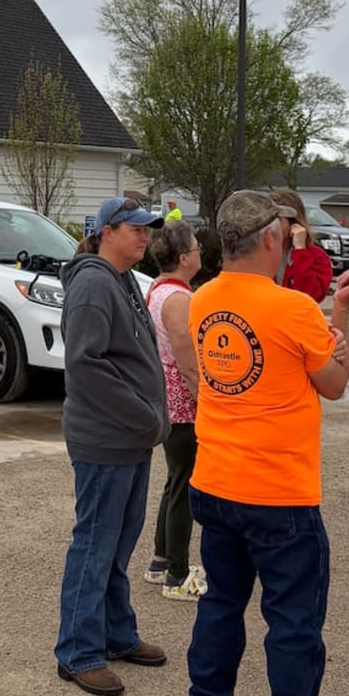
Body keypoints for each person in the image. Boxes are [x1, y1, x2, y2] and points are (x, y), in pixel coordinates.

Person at [179, 190, 349, 696]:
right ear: (270, 239)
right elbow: (335, 384)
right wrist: (341, 313)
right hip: (279, 492)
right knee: (292, 624)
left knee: (220, 605)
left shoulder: (203, 298)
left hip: (215, 480)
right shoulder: (293, 309)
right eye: (284, 233)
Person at [55, 196, 168, 696]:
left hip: (131, 440)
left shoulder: (122, 279)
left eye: (148, 229)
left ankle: (117, 634)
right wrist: (144, 415)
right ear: (107, 232)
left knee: (117, 545)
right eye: (135, 228)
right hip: (106, 440)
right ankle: (79, 653)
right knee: (95, 546)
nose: (145, 236)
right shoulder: (95, 283)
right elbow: (86, 364)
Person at [141, 221, 205, 600]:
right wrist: (207, 401)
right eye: (196, 248)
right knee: (184, 487)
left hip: (167, 400)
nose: (200, 252)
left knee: (174, 481)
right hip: (183, 405)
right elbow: (187, 361)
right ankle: (178, 576)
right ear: (183, 258)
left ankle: (161, 559)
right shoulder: (179, 299)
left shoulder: (159, 289)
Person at [269, 187, 332, 303]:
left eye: (278, 220)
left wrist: (300, 252)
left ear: (294, 223)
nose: (271, 226)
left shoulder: (317, 257)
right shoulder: (259, 253)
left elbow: (312, 296)